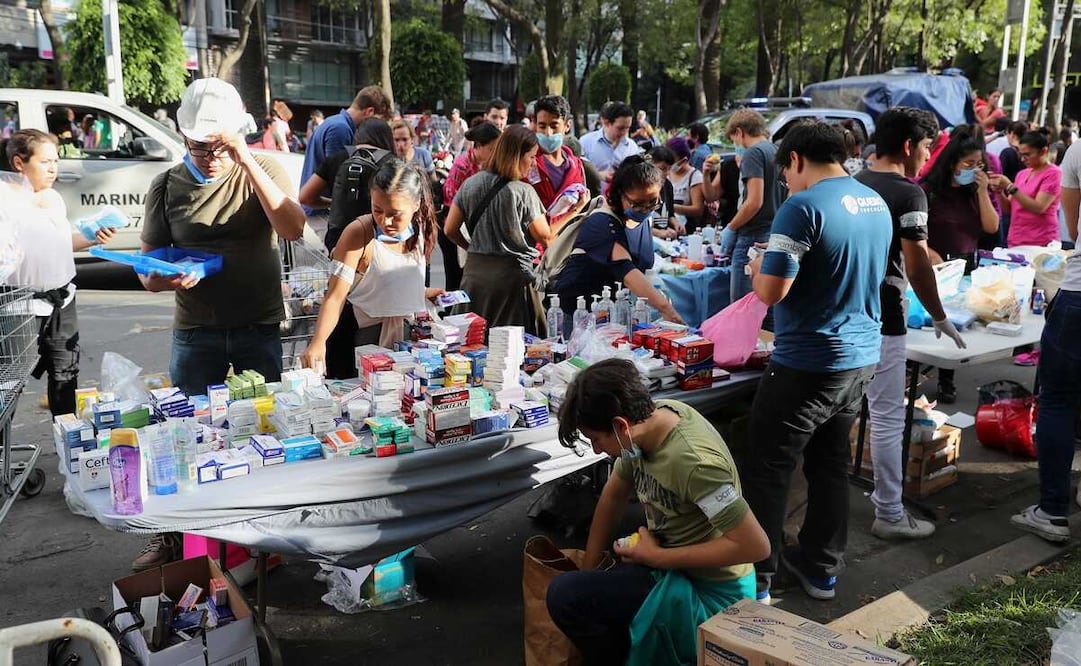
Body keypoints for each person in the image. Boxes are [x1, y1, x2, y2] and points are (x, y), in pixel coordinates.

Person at [135, 78, 305, 571]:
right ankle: (178, 537)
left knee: (269, 429)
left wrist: (245, 157)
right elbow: (148, 274)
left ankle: (269, 535)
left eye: (219, 145)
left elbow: (292, 227)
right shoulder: (166, 186)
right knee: (184, 434)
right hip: (197, 330)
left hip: (258, 325)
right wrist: (168, 279)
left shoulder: (264, 167)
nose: (210, 156)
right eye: (198, 146)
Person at [743, 122, 891, 603]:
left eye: (786, 172)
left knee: (767, 467)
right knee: (831, 464)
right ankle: (822, 569)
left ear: (795, 160)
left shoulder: (801, 207)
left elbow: (772, 290)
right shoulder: (875, 202)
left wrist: (755, 267)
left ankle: (758, 578)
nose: (787, 182)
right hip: (861, 358)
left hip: (807, 361)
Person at [546, 359, 769, 666]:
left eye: (596, 439)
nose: (597, 450)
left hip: (713, 596)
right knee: (588, 587)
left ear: (620, 426)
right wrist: (590, 566)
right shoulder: (646, 425)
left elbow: (755, 546)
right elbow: (614, 493)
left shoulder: (696, 463)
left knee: (564, 596)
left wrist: (657, 558)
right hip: (671, 568)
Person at [854, 108, 966, 541]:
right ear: (907, 146)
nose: (926, 156)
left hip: (848, 316)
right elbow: (917, 263)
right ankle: (888, 511)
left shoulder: (854, 182)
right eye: (924, 147)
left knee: (843, 415)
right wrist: (939, 314)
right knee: (884, 417)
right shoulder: (908, 193)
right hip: (885, 317)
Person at [1, 129, 116, 416]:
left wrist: (92, 237)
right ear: (19, 163)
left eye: (56, 161)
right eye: (45, 162)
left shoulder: (53, 198)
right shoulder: (5, 200)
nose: (53, 169)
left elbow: (61, 241)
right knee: (9, 383)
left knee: (66, 374)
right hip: (20, 305)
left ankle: (68, 442)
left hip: (62, 301)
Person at [300, 158, 443, 363]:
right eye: (378, 210)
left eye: (395, 214)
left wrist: (425, 293)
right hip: (365, 341)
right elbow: (335, 296)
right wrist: (318, 342)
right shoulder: (359, 233)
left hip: (413, 339)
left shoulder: (422, 228)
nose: (385, 221)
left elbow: (391, 281)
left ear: (416, 205)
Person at [1011, 130, 1081, 543]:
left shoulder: (1076, 151)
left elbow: (1072, 224)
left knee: (1056, 399)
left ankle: (1053, 511)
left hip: (1078, 297)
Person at [298, 118, 394, 380]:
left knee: (338, 301)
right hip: (373, 250)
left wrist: (332, 204)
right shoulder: (390, 163)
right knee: (370, 320)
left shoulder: (339, 158)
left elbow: (306, 197)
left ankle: (339, 375)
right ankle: (370, 374)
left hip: (337, 245)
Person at [553, 155, 685, 332]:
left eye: (653, 202)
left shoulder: (644, 220)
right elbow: (627, 272)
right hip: (579, 314)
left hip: (612, 313)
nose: (646, 209)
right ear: (619, 195)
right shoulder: (602, 223)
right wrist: (667, 310)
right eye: (637, 204)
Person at [444, 125, 550, 334]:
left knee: (471, 347)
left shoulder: (470, 184)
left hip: (474, 278)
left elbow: (449, 229)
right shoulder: (524, 192)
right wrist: (574, 212)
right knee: (514, 352)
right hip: (511, 283)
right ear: (517, 156)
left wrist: (471, 247)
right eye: (531, 156)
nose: (533, 163)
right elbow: (546, 236)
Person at [920, 125, 999, 403]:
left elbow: (991, 227)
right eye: (968, 164)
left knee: (954, 322)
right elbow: (909, 230)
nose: (974, 169)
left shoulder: (975, 192)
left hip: (965, 266)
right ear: (952, 163)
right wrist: (926, 251)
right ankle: (912, 368)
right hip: (934, 266)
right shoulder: (928, 190)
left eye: (979, 164)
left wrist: (982, 192)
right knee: (927, 321)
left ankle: (946, 378)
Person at [299, 86, 392, 225]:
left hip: (323, 211)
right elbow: (339, 177)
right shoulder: (340, 129)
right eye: (379, 120)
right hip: (325, 215)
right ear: (370, 111)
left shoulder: (335, 122)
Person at [298, 118, 395, 249]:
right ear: (387, 138)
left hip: (339, 240)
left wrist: (334, 201)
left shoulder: (336, 158)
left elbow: (305, 197)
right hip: (377, 240)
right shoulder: (392, 162)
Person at [725, 109, 784, 306]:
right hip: (773, 234)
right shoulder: (774, 150)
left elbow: (754, 201)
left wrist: (731, 227)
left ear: (740, 132)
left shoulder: (753, 153)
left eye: (734, 139)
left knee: (744, 308)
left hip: (752, 238)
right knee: (765, 309)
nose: (736, 145)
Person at [994, 129, 1062, 248]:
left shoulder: (1053, 173)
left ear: (1043, 151)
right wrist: (999, 191)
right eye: (1021, 155)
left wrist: (1010, 187)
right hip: (1016, 239)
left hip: (1041, 240)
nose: (1023, 159)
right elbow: (1009, 209)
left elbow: (1039, 207)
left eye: (1027, 155)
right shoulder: (1022, 174)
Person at [530, 94, 588, 231]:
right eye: (542, 126)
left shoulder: (576, 166)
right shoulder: (527, 163)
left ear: (567, 126)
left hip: (567, 242)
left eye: (554, 126)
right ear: (535, 125)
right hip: (537, 244)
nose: (548, 133)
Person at [580, 102, 639, 185]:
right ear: (606, 123)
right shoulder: (586, 143)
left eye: (627, 128)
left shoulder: (632, 147)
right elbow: (576, 174)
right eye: (620, 128)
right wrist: (598, 175)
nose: (625, 132)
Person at [664, 137, 705, 233]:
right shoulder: (666, 173)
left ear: (684, 160)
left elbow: (698, 209)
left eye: (672, 161)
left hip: (686, 228)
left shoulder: (695, 177)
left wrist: (671, 207)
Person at [648, 145, 682, 240]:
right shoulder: (643, 188)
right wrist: (659, 233)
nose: (666, 172)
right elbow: (635, 224)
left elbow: (670, 213)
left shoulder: (667, 185)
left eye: (669, 169)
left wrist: (677, 225)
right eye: (662, 168)